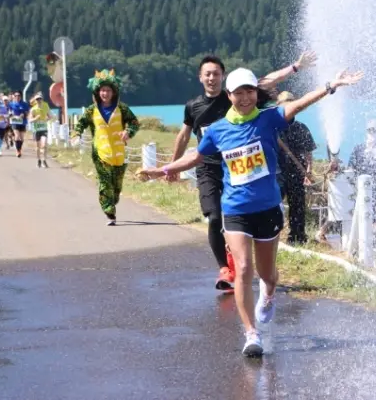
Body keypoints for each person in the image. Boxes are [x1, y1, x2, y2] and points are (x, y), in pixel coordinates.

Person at [138, 66, 364, 357]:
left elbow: (300, 103)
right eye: (238, 93)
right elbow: (196, 156)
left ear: (256, 93)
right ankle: (251, 333)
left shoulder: (269, 119)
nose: (245, 98)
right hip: (235, 210)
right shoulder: (218, 130)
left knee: (267, 275)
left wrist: (332, 84)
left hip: (267, 209)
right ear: (229, 95)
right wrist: (162, 170)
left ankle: (268, 294)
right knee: (244, 268)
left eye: (249, 91)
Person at [169, 51, 317, 292]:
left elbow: (268, 81)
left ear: (223, 78)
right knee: (214, 217)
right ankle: (225, 268)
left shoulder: (236, 96)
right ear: (200, 77)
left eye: (216, 74)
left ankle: (241, 260)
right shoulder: (193, 106)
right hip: (208, 167)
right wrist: (172, 166)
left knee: (235, 216)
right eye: (207, 74)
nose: (212, 78)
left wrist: (296, 67)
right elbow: (184, 135)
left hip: (237, 167)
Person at [72, 69, 140, 225]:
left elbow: (134, 122)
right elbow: (81, 124)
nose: (105, 93)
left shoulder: (122, 108)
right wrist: (76, 135)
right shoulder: (91, 110)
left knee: (116, 187)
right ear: (98, 92)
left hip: (119, 154)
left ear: (114, 92)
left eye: (108, 90)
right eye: (102, 90)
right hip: (101, 153)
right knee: (105, 183)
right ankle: (109, 212)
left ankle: (111, 201)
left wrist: (128, 132)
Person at [275, 91, 317, 244]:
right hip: (277, 172)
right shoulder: (273, 127)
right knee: (274, 204)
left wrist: (308, 171)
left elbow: (308, 152)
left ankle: (297, 236)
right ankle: (271, 234)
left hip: (297, 172)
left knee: (298, 205)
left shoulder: (301, 128)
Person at [29, 92, 54, 168]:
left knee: (44, 145)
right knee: (38, 147)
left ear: (42, 99)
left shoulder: (46, 106)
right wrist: (35, 118)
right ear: (35, 101)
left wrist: (47, 118)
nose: (39, 100)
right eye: (37, 99)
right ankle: (39, 160)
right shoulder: (33, 109)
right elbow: (30, 120)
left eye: (40, 99)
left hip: (44, 128)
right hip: (36, 129)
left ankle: (44, 160)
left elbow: (50, 116)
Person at [8, 90, 30, 158]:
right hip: (15, 122)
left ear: (21, 96)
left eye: (19, 96)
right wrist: (10, 114)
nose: (17, 97)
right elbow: (9, 111)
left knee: (22, 138)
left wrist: (23, 114)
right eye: (16, 96)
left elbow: (27, 112)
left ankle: (19, 149)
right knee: (17, 136)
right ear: (14, 96)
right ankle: (18, 151)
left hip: (23, 122)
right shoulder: (11, 104)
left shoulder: (24, 104)